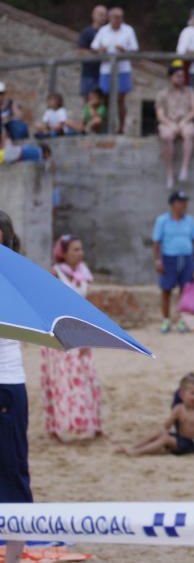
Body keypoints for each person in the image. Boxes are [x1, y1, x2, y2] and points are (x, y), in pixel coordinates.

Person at [39, 235, 102, 441]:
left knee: (87, 376)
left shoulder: (83, 274)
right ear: (63, 253)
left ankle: (91, 423)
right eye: (75, 249)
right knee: (62, 379)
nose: (80, 253)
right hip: (60, 332)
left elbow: (88, 305)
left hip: (81, 331)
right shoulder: (55, 274)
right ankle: (59, 426)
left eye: (81, 249)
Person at [0, 211, 29, 563]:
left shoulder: (14, 277)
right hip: (10, 382)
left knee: (12, 471)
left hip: (6, 382)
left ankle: (13, 556)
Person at [117, 374, 194, 456]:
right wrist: (169, 422)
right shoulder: (179, 408)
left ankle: (137, 452)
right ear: (182, 395)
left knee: (165, 439)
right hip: (180, 439)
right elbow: (166, 426)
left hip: (192, 443)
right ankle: (133, 447)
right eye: (193, 393)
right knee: (159, 432)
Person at [153, 191, 194, 334]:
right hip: (169, 258)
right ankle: (166, 320)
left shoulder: (190, 220)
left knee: (185, 290)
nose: (184, 205)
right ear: (173, 204)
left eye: (185, 202)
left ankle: (181, 321)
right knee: (166, 290)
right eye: (181, 202)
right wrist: (158, 260)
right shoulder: (162, 220)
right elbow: (156, 242)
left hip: (187, 258)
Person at [90, 6, 138, 133]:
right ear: (110, 18)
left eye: (120, 17)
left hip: (123, 69)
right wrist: (101, 50)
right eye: (115, 17)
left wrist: (124, 51)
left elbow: (135, 49)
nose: (118, 20)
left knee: (120, 100)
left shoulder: (128, 30)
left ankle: (121, 128)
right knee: (105, 99)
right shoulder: (103, 31)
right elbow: (94, 47)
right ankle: (105, 127)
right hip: (106, 70)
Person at [155, 60, 194, 188]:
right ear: (171, 77)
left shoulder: (190, 91)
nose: (181, 79)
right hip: (169, 122)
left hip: (185, 121)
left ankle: (184, 168)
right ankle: (169, 172)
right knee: (167, 136)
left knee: (189, 132)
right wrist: (170, 124)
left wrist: (184, 120)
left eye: (182, 76)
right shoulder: (162, 94)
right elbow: (160, 114)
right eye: (178, 76)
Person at [77, 4, 107, 99]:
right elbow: (81, 52)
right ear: (93, 15)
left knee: (105, 103)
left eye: (104, 15)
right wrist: (97, 52)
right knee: (88, 102)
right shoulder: (87, 32)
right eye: (100, 14)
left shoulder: (109, 33)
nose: (103, 17)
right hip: (89, 73)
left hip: (106, 73)